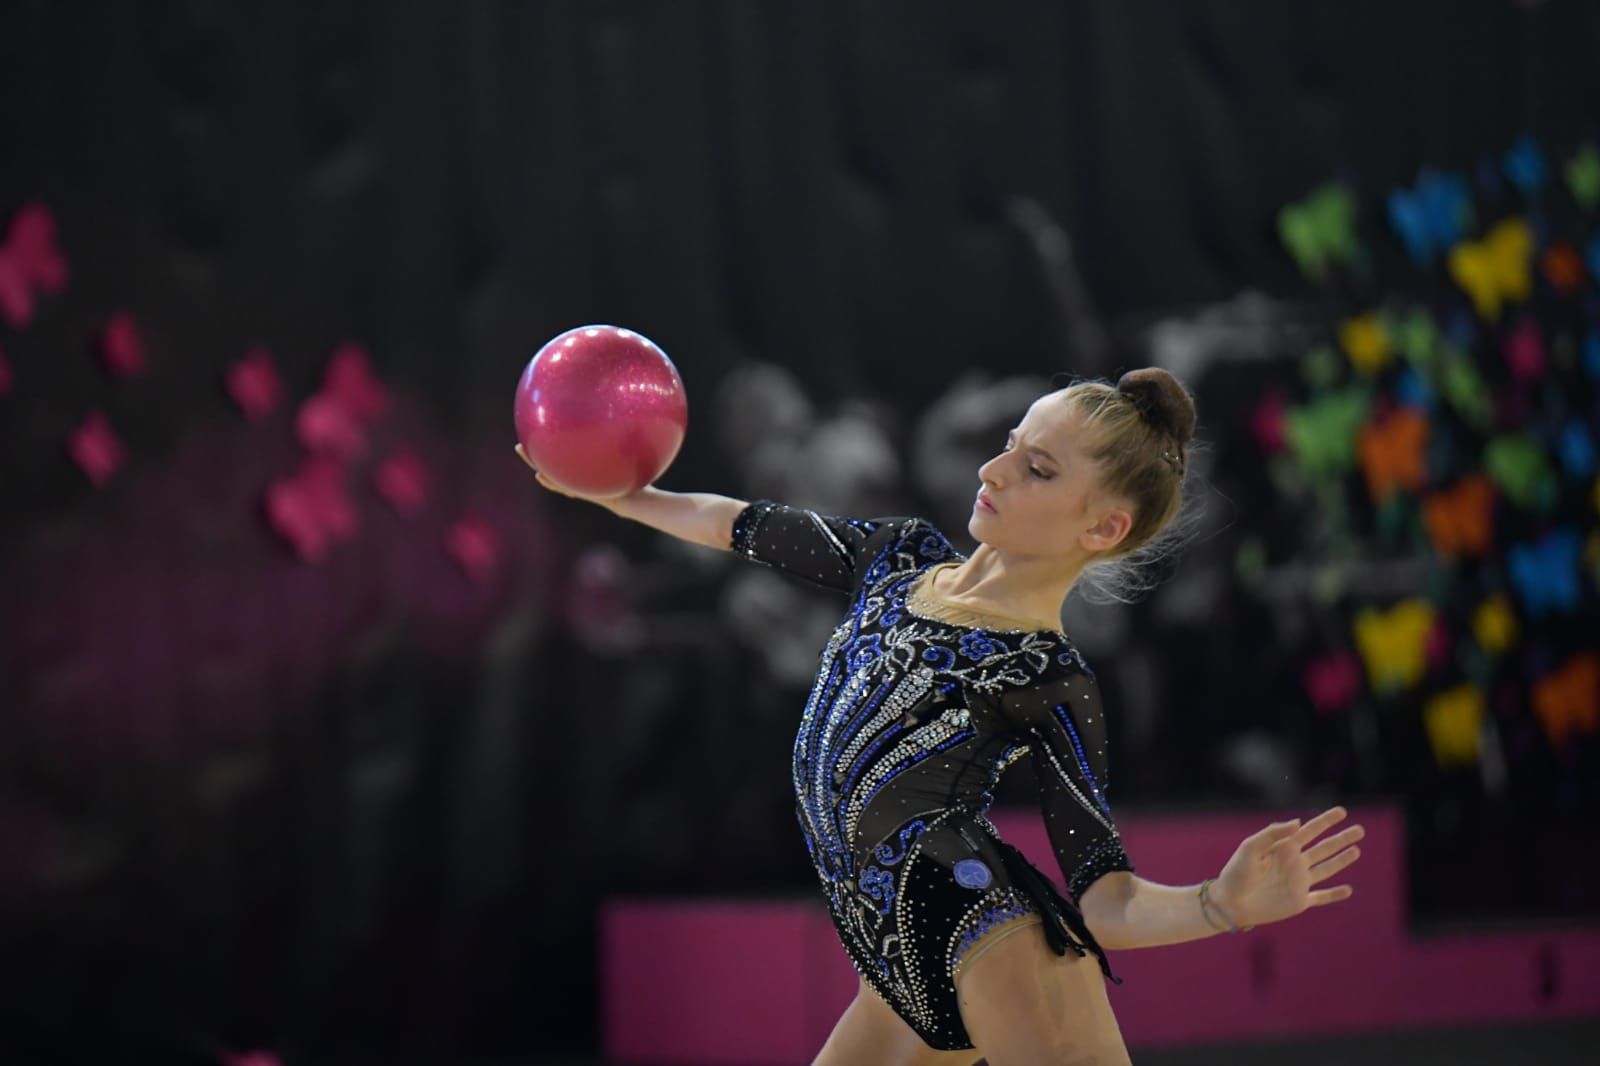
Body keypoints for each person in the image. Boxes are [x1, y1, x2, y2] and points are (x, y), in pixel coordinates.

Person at [517, 369, 1365, 1066]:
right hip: (895, 966)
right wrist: (617, 495)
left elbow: (1105, 894)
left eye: (1038, 469)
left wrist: (1219, 904)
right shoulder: (899, 556)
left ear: (1104, 525)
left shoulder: (1047, 675)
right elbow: (736, 525)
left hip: (985, 935)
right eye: (1009, 446)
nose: (992, 471)